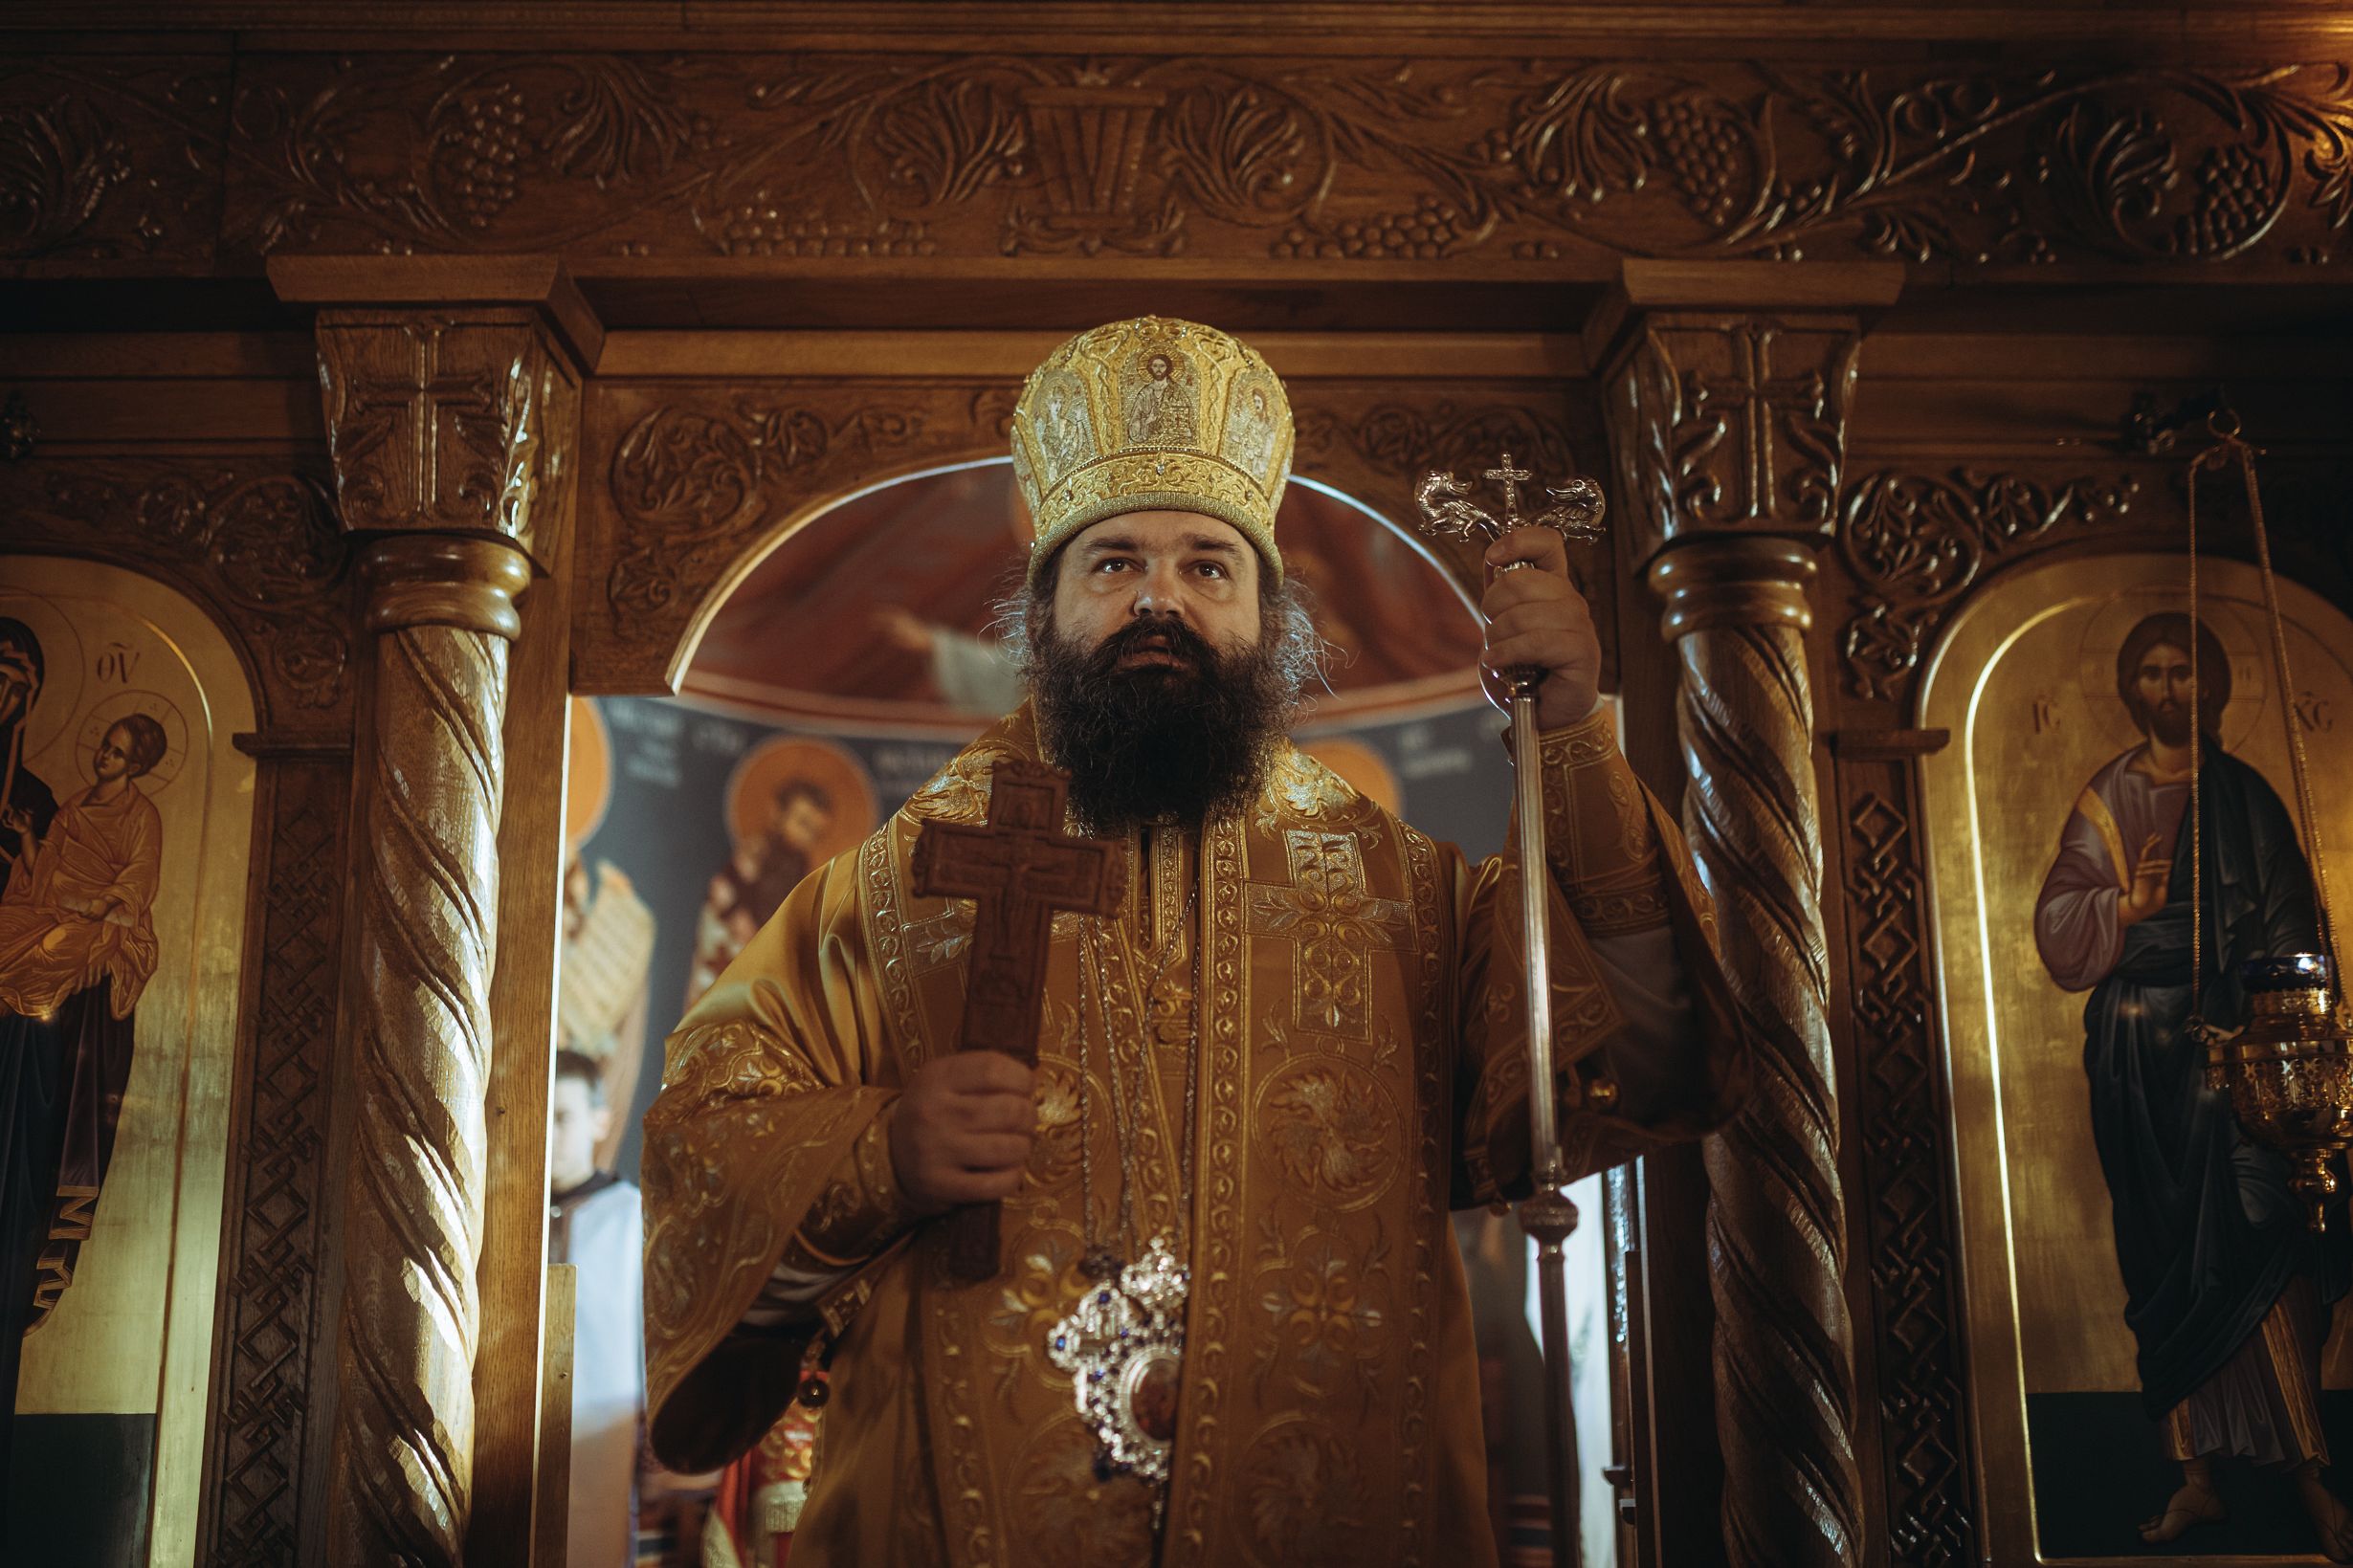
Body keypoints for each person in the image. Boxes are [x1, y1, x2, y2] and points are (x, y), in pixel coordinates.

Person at [640, 316, 1753, 1567]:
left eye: (1207, 566)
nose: (1157, 598)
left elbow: (1636, 1051)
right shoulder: (883, 900)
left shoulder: (1401, 900)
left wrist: (1572, 740)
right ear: (1041, 615)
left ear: (1268, 619)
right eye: (1112, 561)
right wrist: (878, 1152)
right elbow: (705, 1133)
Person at [2034, 611, 2352, 1558]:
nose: (2169, 688)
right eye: (2152, 673)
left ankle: (2309, 1474)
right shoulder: (2109, 794)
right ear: (2130, 687)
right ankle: (2195, 1479)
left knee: (2265, 1236)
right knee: (2163, 1262)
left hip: (2239, 1054)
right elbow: (2059, 923)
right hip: (2138, 1059)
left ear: (2210, 684)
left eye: (2183, 672)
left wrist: (2254, 1010)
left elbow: (2292, 925)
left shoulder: (2244, 797)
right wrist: (2123, 906)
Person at [0, 703, 167, 1500]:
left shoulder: (140, 817)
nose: (103, 756)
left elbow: (131, 889)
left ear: (137, 765)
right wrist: (31, 843)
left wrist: (94, 906)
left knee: (46, 965)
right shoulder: (73, 806)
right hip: (49, 913)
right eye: (103, 744)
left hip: (89, 929)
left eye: (118, 752)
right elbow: (41, 877)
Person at [547, 1049, 646, 1568]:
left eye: (562, 1117)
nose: (548, 1133)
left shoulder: (633, 1216)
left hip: (602, 1433)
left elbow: (655, 1338)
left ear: (599, 1121)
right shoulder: (507, 1211)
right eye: (540, 1115)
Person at [685, 780, 837, 1009]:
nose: (805, 837)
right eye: (802, 823)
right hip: (732, 942)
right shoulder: (755, 851)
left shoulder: (801, 869)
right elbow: (724, 891)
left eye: (815, 833)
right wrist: (738, 916)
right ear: (777, 813)